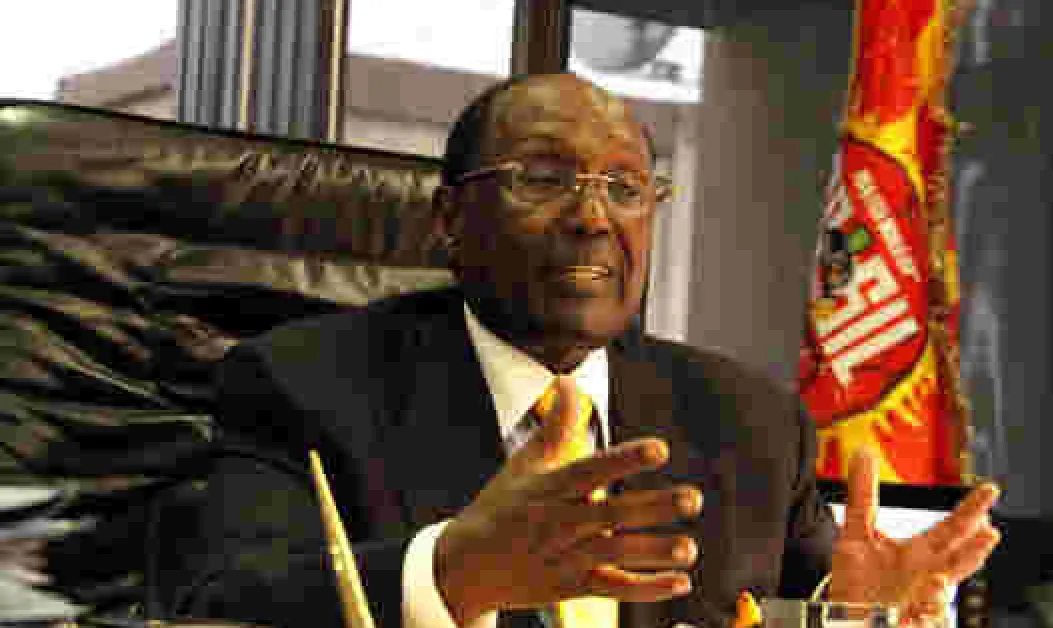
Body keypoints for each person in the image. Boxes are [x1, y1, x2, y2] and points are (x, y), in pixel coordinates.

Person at [178, 73, 1000, 628]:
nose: (592, 217)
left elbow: (811, 598)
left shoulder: (750, 423)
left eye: (626, 187)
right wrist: (452, 572)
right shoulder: (304, 385)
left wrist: (858, 613)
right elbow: (218, 604)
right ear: (450, 220)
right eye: (543, 179)